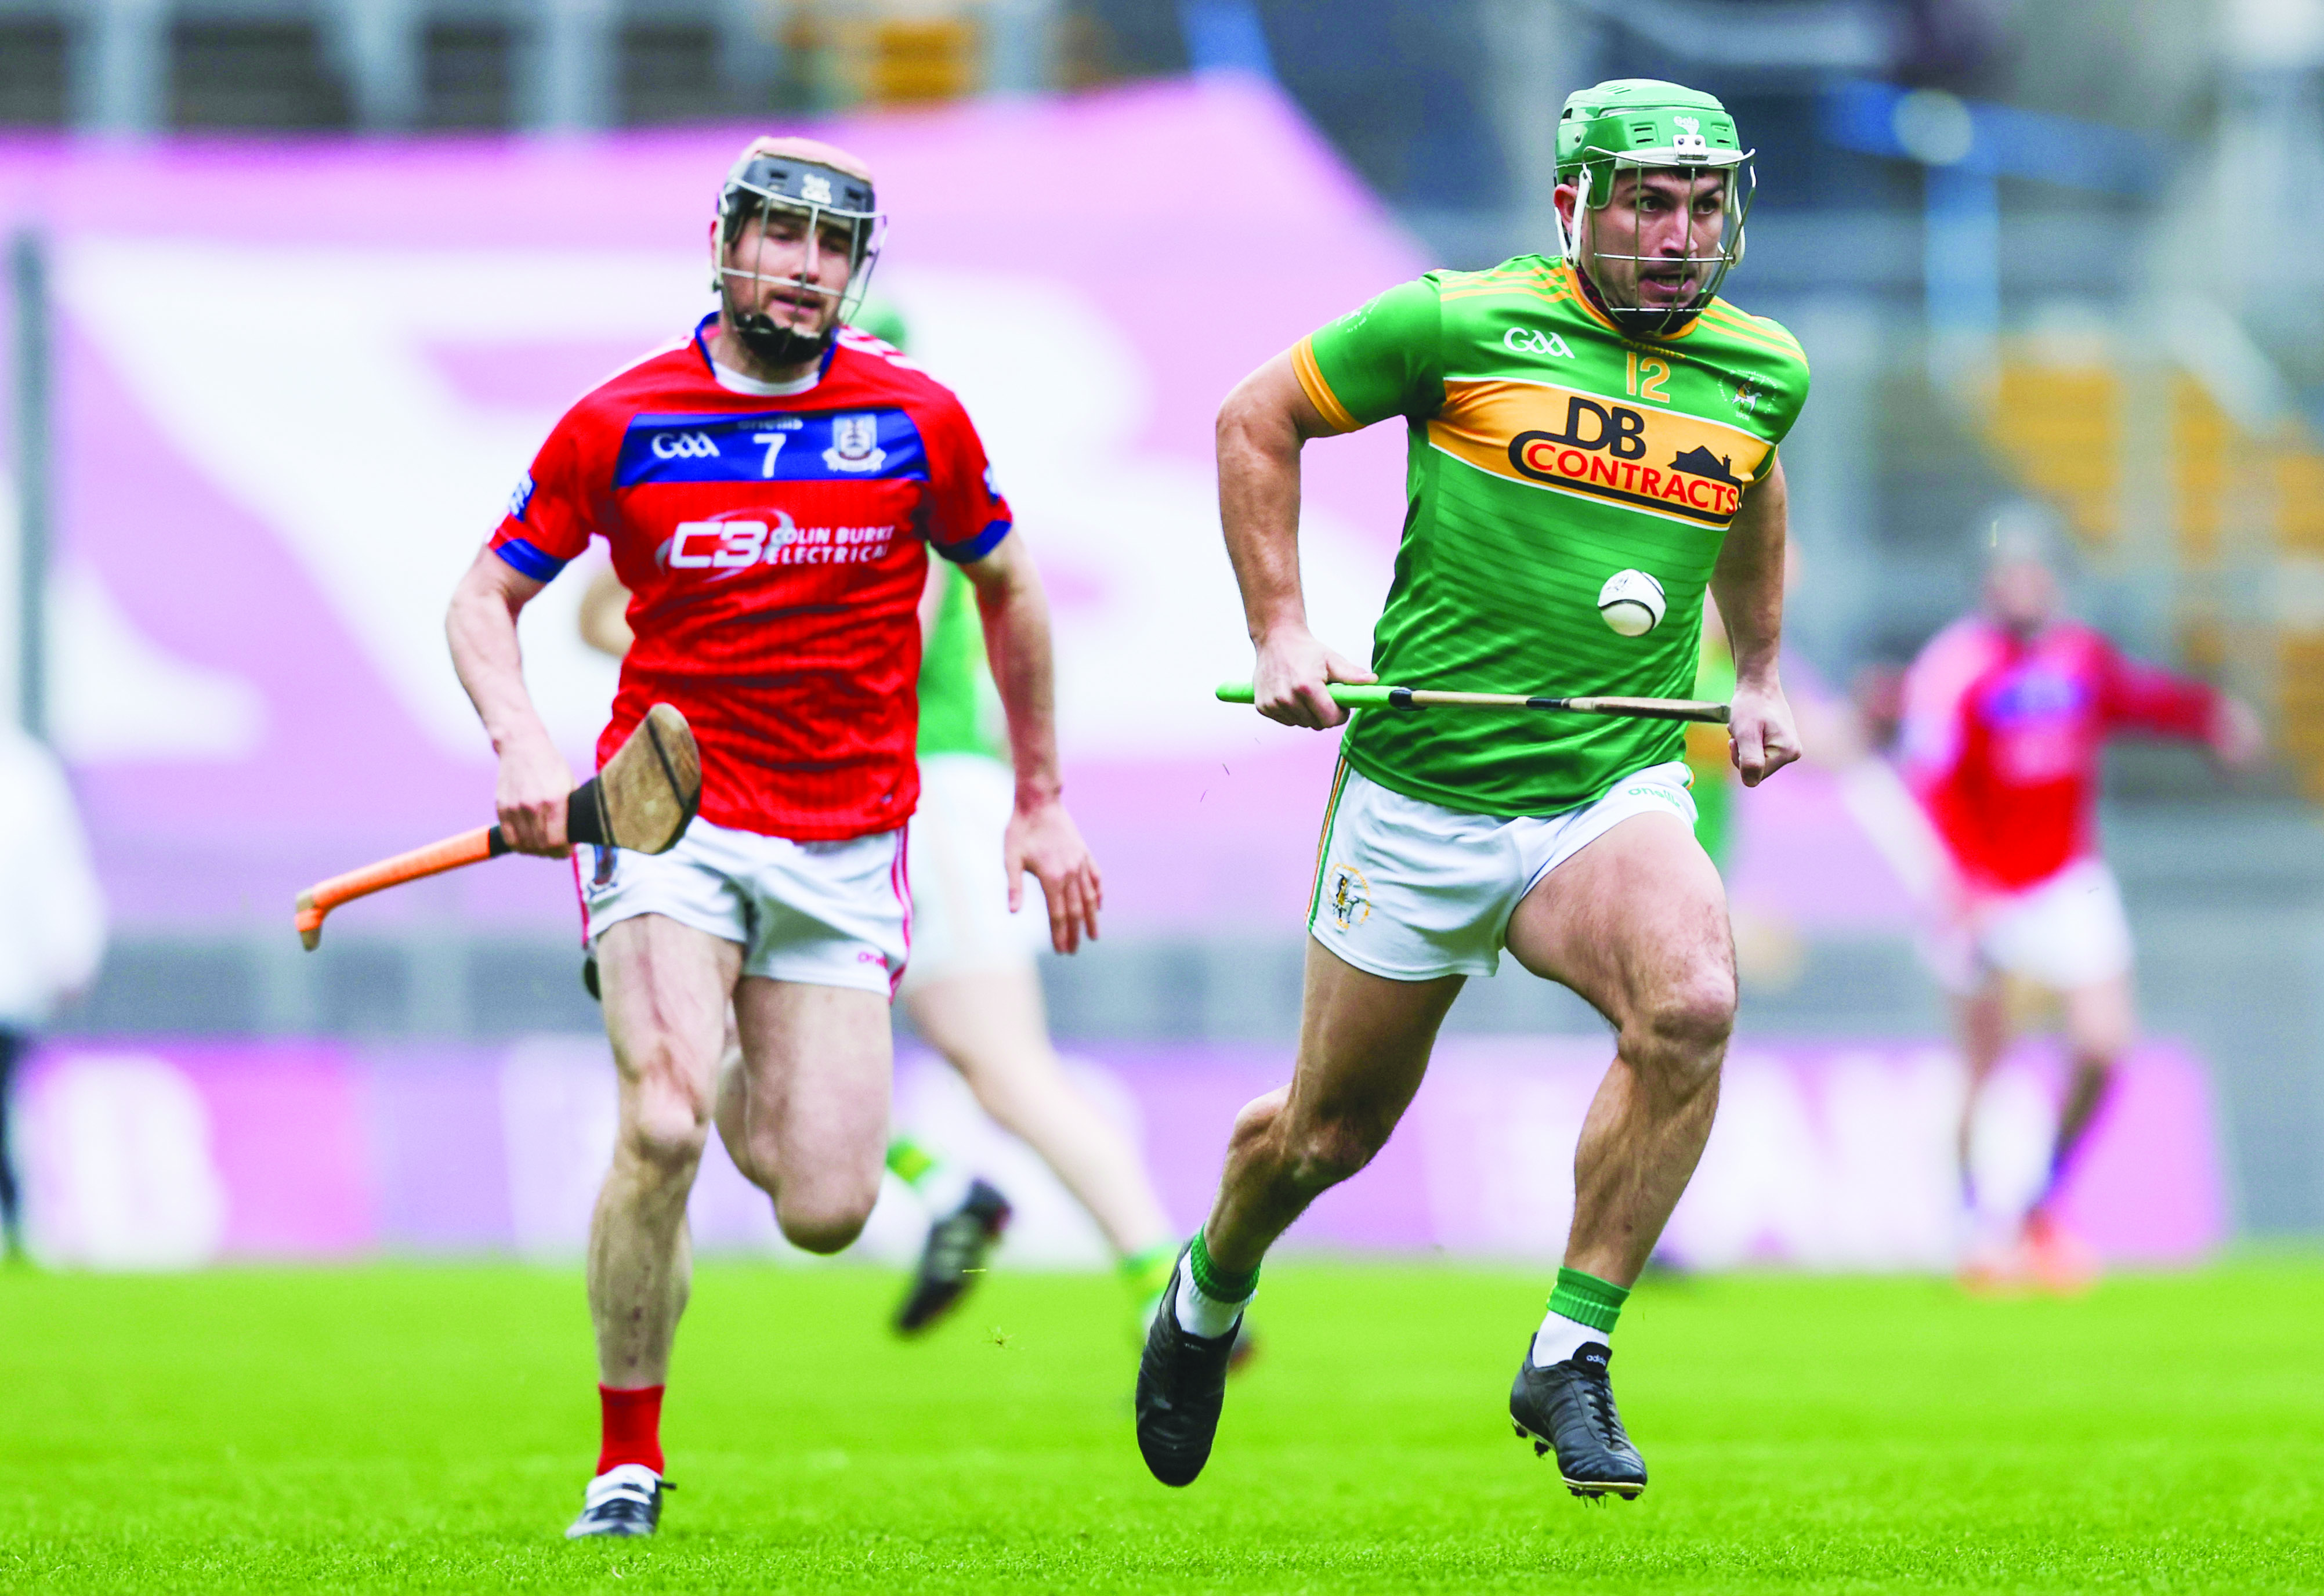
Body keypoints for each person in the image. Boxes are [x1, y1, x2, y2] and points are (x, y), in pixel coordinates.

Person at [1135, 78, 1808, 1501]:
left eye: (1701, 204)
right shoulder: (1453, 323)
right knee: (1327, 1135)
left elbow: (1751, 493)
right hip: (1422, 793)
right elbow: (1253, 420)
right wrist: (1277, 624)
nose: (1679, 234)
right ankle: (1205, 1295)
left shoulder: (1760, 371)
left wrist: (1756, 668)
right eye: (1646, 201)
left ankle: (1570, 1350)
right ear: (1571, 203)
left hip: (1602, 790)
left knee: (1688, 999)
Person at [445, 136, 1101, 1541]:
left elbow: (1012, 590)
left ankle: (715, 1020)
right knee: (664, 1122)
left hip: (844, 844)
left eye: (830, 246)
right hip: (665, 820)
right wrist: (519, 742)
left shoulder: (916, 418)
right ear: (723, 239)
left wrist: (1041, 798)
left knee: (825, 1206)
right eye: (778, 236)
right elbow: (481, 603)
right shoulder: (620, 420)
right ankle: (627, 1458)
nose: (802, 268)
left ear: (857, 270)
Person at [579, 303, 1181, 1335]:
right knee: (731, 1041)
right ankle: (991, 1206)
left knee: (997, 1063)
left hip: (907, 793)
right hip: (886, 791)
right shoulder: (908, 475)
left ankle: (1163, 1284)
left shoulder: (879, 485)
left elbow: (610, 615)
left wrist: (692, 670)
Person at [1898, 516, 2261, 1291]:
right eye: (2008, 573)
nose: (2022, 585)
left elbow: (2142, 698)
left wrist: (2210, 718)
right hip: (1984, 889)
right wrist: (1963, 881)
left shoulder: (2077, 657)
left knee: (2101, 1046)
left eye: (2035, 572)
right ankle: (1973, 1223)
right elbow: (1929, 782)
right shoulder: (1954, 665)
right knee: (1982, 1066)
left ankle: (2039, 1202)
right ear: (1986, 583)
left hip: (2066, 879)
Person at [0, 721, 108, 1261]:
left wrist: (72, 950)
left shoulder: (23, 771)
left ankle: (17, 1225)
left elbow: (56, 871)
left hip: (8, 983)